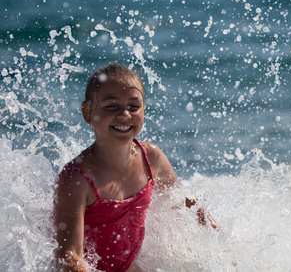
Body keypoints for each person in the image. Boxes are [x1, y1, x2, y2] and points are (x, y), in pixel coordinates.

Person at [53, 64, 216, 272]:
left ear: (144, 109)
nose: (125, 114)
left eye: (134, 106)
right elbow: (69, 258)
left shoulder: (151, 159)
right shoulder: (77, 180)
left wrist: (214, 235)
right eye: (111, 106)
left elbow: (182, 200)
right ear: (87, 112)